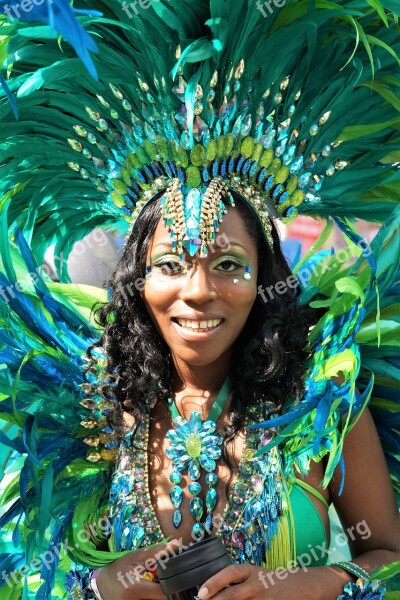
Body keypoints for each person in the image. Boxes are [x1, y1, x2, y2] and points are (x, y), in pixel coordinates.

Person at [0, 2, 399, 599]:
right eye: (169, 265)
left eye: (229, 265)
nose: (198, 290)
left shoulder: (322, 401)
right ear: (138, 280)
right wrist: (98, 587)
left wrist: (310, 584)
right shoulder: (88, 408)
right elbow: (32, 571)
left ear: (266, 277)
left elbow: (389, 554)